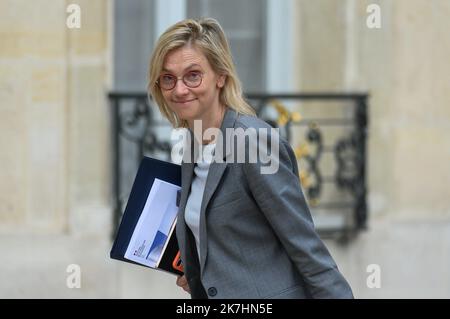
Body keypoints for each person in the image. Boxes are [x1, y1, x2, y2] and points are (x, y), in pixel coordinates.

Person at [147, 17, 353, 299]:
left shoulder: (252, 141)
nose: (179, 89)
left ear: (220, 76)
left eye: (193, 75)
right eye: (168, 78)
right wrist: (202, 273)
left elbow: (306, 247)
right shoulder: (192, 145)